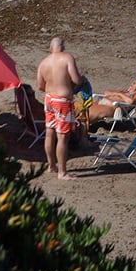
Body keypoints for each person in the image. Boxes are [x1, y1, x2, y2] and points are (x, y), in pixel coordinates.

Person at [35, 37, 83, 180]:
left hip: (49, 99)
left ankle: (51, 166)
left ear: (51, 47)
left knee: (49, 132)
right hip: (62, 101)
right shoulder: (67, 58)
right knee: (63, 137)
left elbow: (39, 85)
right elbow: (76, 80)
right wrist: (81, 80)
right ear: (62, 47)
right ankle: (62, 172)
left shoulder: (43, 62)